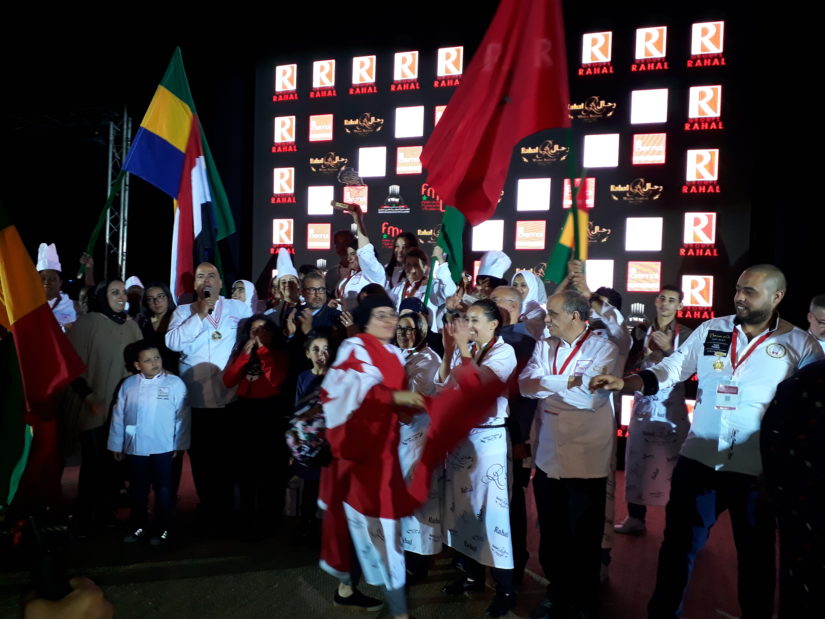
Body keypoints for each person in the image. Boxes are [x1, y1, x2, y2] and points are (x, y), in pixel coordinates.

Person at [590, 264, 824, 619]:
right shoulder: (712, 329)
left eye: (751, 291)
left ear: (777, 297)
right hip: (697, 460)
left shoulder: (799, 345)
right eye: (739, 289)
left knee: (757, 561)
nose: (740, 297)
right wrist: (628, 383)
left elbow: (807, 417)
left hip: (754, 474)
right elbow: (671, 369)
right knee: (676, 551)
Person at [318, 294, 426, 618]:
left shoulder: (394, 353)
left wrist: (410, 408)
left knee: (379, 531)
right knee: (365, 527)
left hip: (384, 455)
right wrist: (404, 397)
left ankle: (366, 595)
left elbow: (398, 406)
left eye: (392, 314)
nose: (390, 320)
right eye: (381, 315)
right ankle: (392, 606)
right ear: (364, 321)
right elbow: (358, 392)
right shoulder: (354, 349)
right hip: (358, 456)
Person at [518, 290, 619, 619]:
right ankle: (557, 593)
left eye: (554, 314)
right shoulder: (545, 345)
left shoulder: (605, 348)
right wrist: (569, 381)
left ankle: (585, 602)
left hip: (586, 459)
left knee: (585, 539)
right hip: (548, 458)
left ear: (575, 316)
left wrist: (550, 385)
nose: (547, 319)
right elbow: (524, 385)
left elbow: (590, 399)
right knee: (552, 535)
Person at [438, 299, 518, 617]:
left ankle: (507, 589)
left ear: (493, 323)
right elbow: (442, 384)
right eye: (465, 319)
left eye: (474, 320)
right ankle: (471, 575)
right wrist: (449, 351)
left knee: (493, 516)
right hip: (462, 439)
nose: (468, 325)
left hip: (489, 441)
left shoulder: (504, 352)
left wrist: (462, 349)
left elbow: (475, 390)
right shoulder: (466, 350)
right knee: (464, 509)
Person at [165, 262, 251, 524]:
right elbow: (172, 342)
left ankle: (230, 510)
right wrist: (199, 315)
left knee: (229, 457)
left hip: (230, 396)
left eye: (212, 275)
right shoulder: (182, 312)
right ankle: (209, 507)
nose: (207, 280)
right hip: (198, 399)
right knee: (202, 460)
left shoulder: (238, 308)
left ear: (220, 282)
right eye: (201, 276)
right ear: (195, 285)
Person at [65, 279, 143, 534]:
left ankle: (105, 511)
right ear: (102, 296)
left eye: (123, 292)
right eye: (114, 292)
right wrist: (88, 397)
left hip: (124, 409)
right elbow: (72, 366)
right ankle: (86, 514)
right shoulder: (87, 324)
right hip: (95, 405)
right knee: (94, 462)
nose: (122, 297)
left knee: (115, 463)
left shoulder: (132, 327)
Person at [615, 285, 693, 535]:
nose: (665, 303)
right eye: (661, 298)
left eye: (672, 300)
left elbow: (694, 372)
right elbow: (625, 367)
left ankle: (677, 525)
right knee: (636, 462)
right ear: (655, 302)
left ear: (680, 306)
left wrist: (670, 350)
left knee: (676, 470)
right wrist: (643, 353)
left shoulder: (690, 334)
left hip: (672, 411)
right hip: (643, 408)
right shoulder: (640, 331)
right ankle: (635, 518)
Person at [107, 341, 190, 545]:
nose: (154, 363)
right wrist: (117, 444)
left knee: (164, 489)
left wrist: (180, 443)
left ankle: (164, 529)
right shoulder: (129, 385)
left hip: (164, 447)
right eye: (147, 360)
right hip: (136, 448)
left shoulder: (174, 384)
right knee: (138, 489)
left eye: (157, 358)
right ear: (137, 365)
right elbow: (119, 415)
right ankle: (138, 526)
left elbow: (183, 416)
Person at [761, 359, 825, 618]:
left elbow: (773, 436)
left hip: (801, 508)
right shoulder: (809, 379)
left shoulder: (808, 377)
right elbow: (774, 434)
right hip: (805, 508)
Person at [222, 315, 289, 536]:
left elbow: (276, 379)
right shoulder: (242, 353)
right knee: (246, 469)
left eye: (263, 330)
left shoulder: (278, 353)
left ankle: (269, 519)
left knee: (269, 470)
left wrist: (261, 351)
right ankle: (247, 518)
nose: (258, 334)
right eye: (254, 330)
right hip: (245, 413)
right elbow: (229, 380)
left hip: (269, 413)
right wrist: (243, 356)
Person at [489, 285, 539, 586]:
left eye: (494, 302)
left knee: (511, 503)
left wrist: (520, 441)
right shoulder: (489, 338)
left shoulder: (523, 342)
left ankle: (513, 566)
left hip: (511, 435)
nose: (490, 306)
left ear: (512, 306)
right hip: (485, 436)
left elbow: (522, 397)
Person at [395, 310, 442, 582]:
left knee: (418, 503)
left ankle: (418, 563)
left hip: (416, 440)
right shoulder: (396, 354)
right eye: (399, 328)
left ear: (423, 331)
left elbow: (410, 404)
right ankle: (401, 557)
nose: (403, 334)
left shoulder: (428, 360)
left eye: (409, 329)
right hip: (396, 442)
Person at [332, 204, 386, 310]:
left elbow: (365, 252)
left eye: (353, 254)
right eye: (348, 255)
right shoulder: (349, 276)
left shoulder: (374, 272)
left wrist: (358, 220)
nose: (349, 258)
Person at [388, 246, 455, 324]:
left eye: (416, 265)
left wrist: (440, 260)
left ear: (425, 268)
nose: (412, 270)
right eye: (408, 265)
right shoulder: (397, 289)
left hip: (426, 335)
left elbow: (450, 292)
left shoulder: (431, 287)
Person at [137, 282, 180, 376]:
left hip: (176, 373)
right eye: (150, 299)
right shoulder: (143, 323)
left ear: (168, 297)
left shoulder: (179, 320)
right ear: (146, 303)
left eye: (160, 296)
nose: (156, 301)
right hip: (151, 374)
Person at [36, 242, 76, 331]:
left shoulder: (70, 305)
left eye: (52, 279)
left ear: (60, 283)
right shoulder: (30, 304)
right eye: (43, 278)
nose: (47, 282)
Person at [511, 270, 548, 339]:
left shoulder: (539, 313)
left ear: (532, 287)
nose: (518, 289)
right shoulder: (508, 309)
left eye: (523, 285)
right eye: (515, 285)